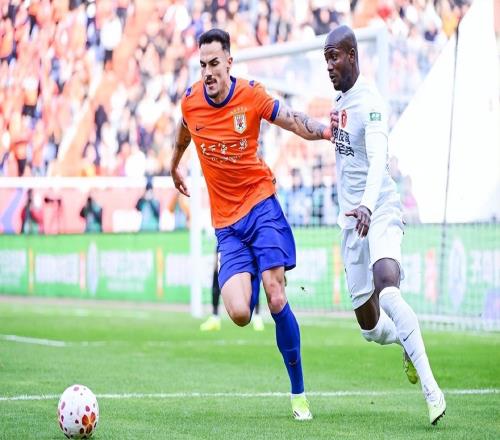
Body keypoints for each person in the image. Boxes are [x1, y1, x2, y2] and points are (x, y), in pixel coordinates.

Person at [170, 28, 331, 420]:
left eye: (214, 63)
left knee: (275, 296)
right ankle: (259, 267)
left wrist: (326, 130)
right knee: (240, 313)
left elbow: (292, 121)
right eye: (202, 65)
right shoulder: (191, 101)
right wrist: (174, 165)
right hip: (227, 226)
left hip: (260, 206)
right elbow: (184, 130)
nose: (208, 72)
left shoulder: (252, 95)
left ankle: (298, 394)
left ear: (229, 61)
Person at [324, 25, 446, 425]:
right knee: (370, 327)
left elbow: (378, 158)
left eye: (334, 57)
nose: (329, 65)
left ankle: (432, 390)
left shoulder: (371, 103)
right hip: (351, 223)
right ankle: (404, 343)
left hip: (379, 209)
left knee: (388, 286)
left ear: (352, 55)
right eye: (326, 59)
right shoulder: (340, 101)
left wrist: (366, 204)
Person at [200, 249, 265, 332]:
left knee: (252, 277)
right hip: (226, 246)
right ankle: (215, 317)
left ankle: (257, 317)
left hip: (247, 246)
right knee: (217, 271)